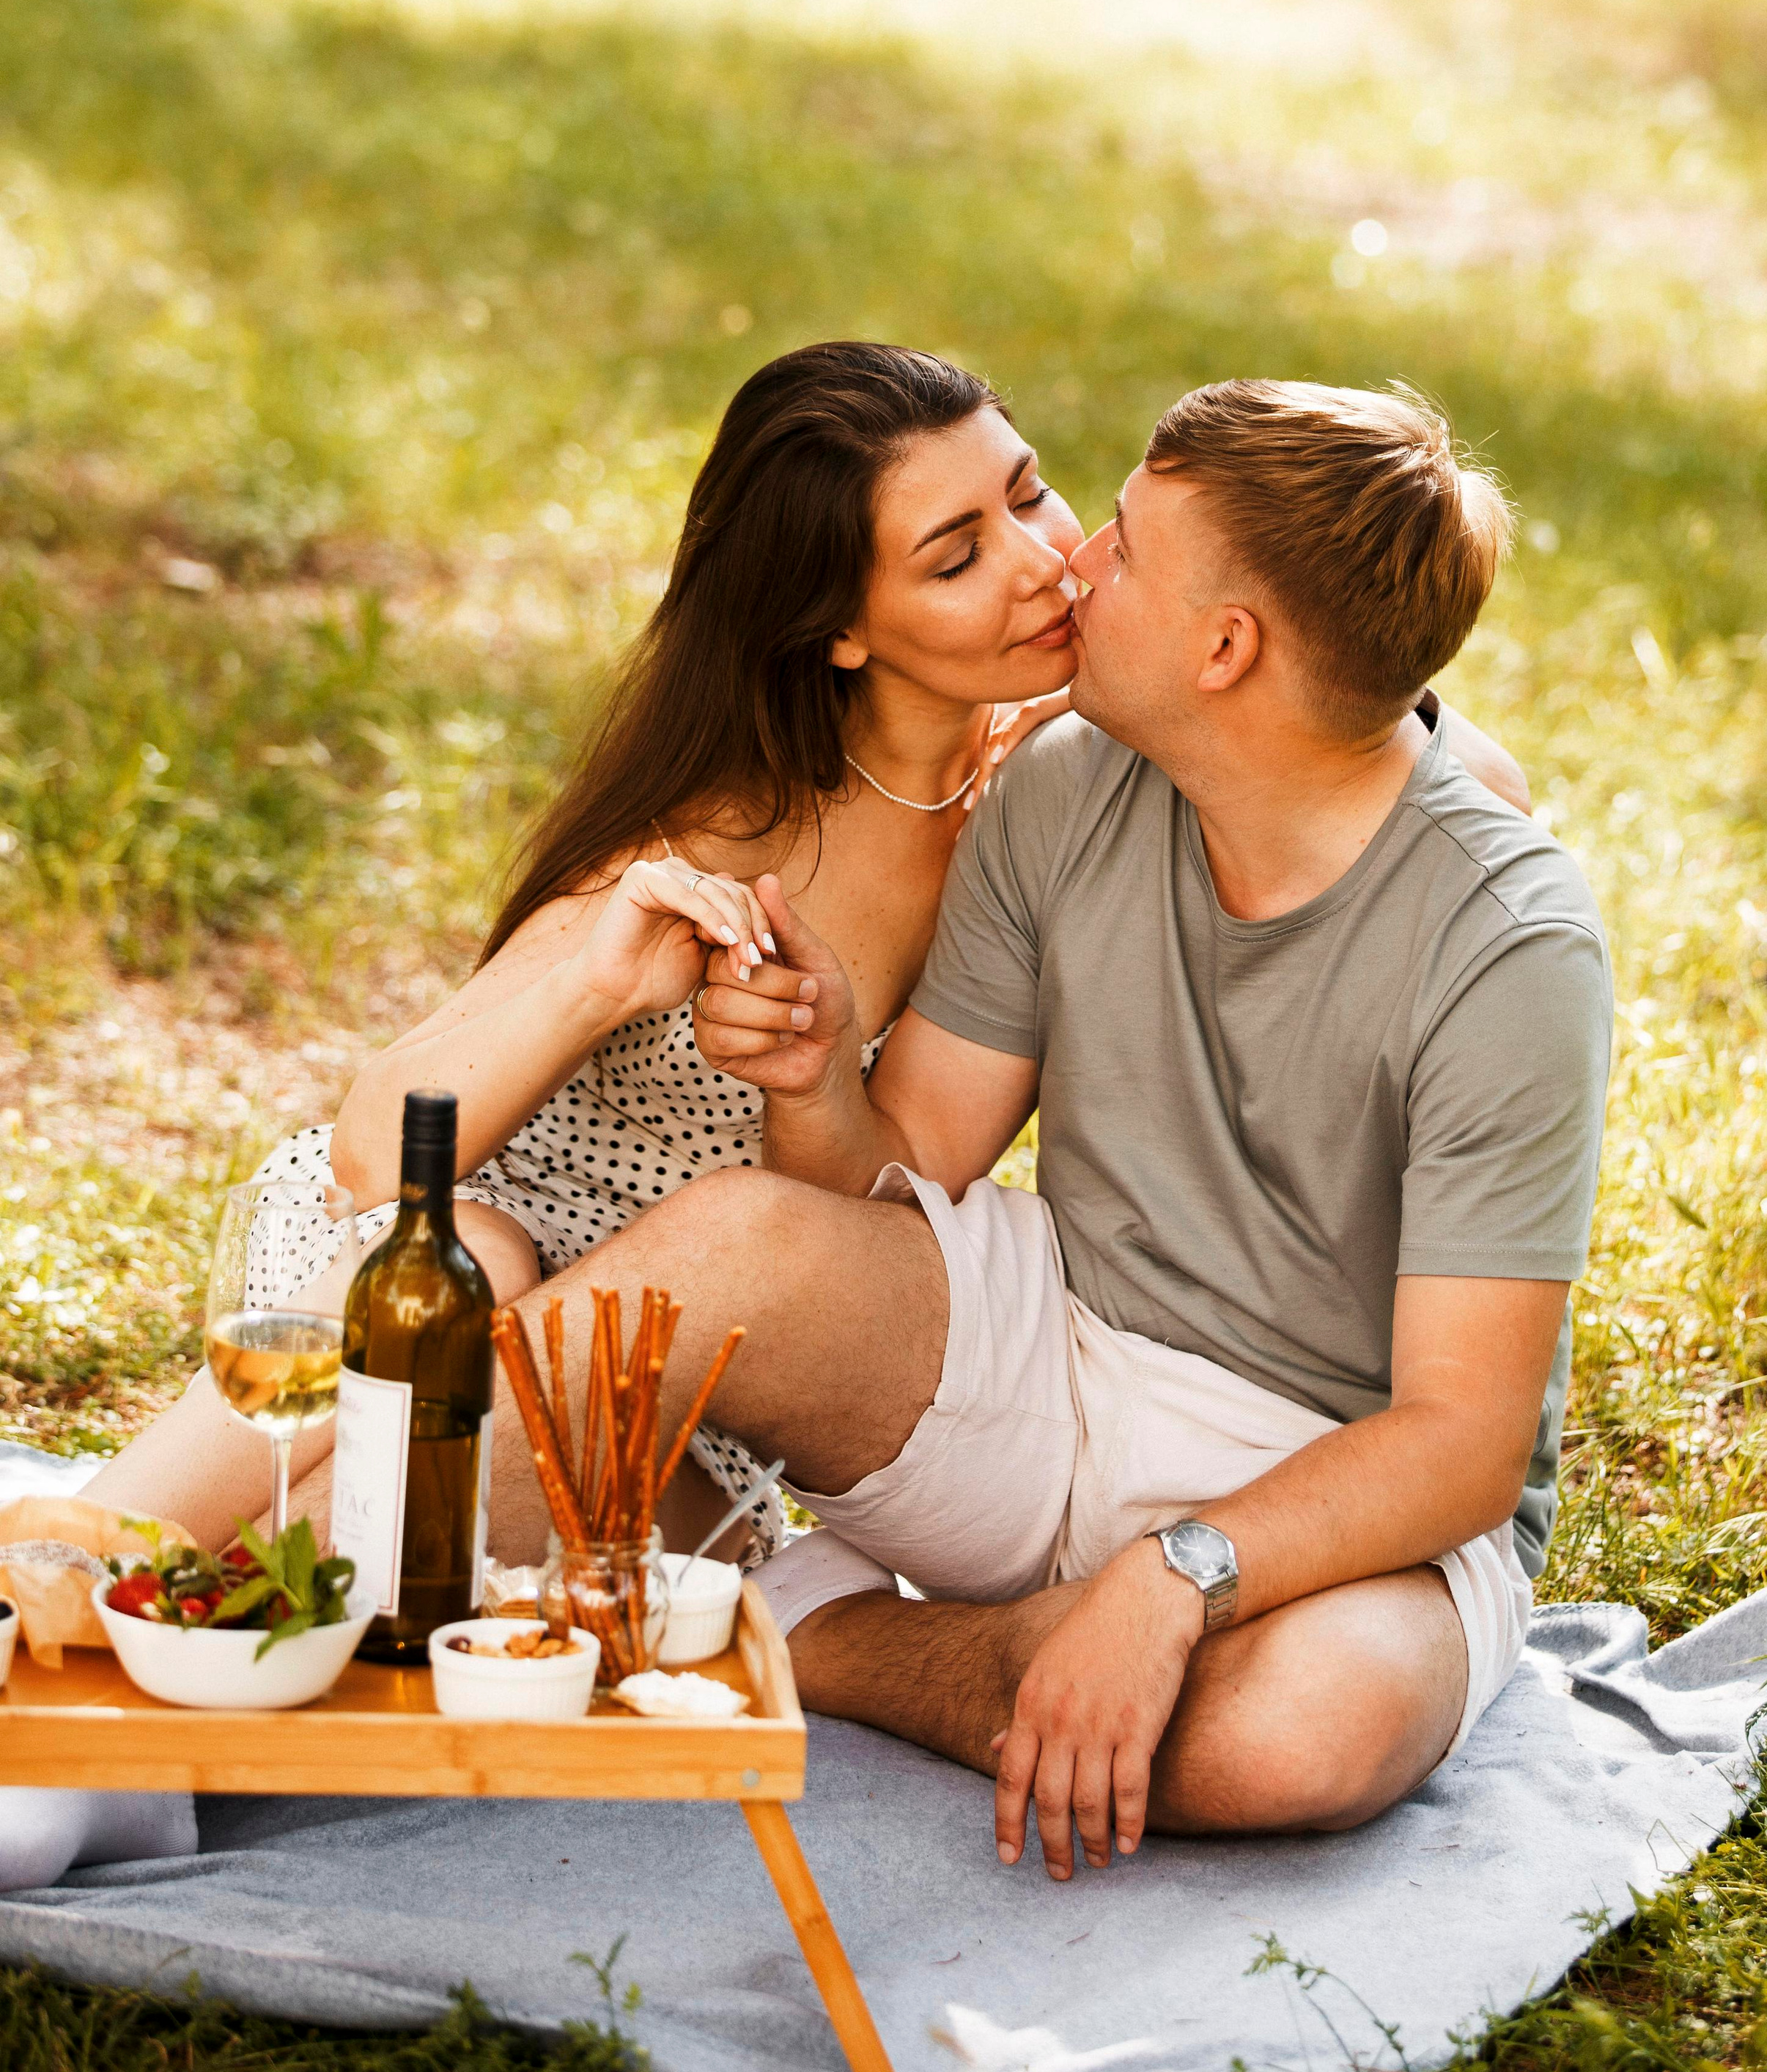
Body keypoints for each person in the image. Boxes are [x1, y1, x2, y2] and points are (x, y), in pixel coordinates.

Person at [93, 350, 1527, 1570]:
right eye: (956, 554)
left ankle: (167, 1648)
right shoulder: (740, 818)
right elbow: (372, 1149)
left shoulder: (1057, 798)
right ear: (840, 629)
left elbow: (1409, 755)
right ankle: (94, 1571)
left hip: (704, 1377)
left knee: (648, 1555)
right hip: (453, 1247)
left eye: (1027, 492)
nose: (1044, 564)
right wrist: (596, 980)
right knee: (454, 1293)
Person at [459, 375, 1612, 1884]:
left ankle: (821, 1625)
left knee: (1296, 1737)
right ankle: (217, 1617)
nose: (1071, 564)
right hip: (1057, 1351)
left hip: (1341, 1482)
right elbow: (903, 1177)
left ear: (1224, 647)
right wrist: (812, 1077)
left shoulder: (1507, 941)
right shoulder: (1061, 787)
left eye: (1119, 547)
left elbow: (1457, 1445)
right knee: (725, 1245)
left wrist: (1172, 1577)